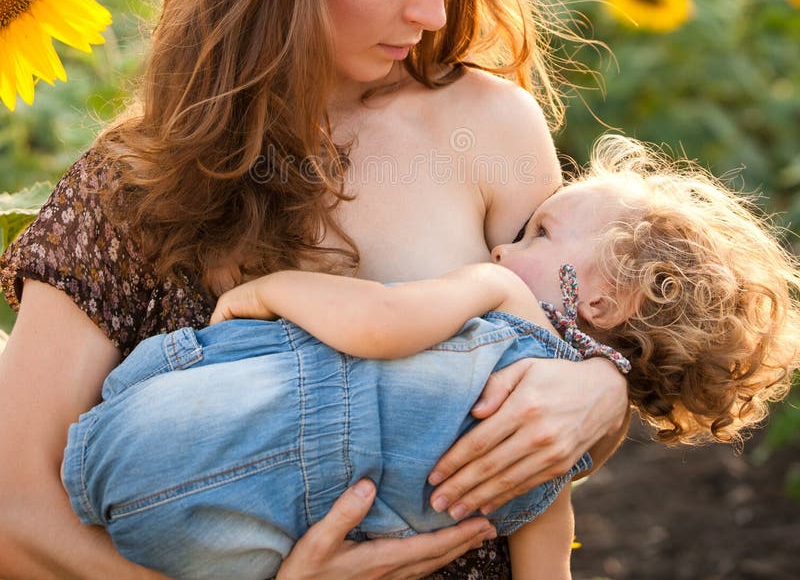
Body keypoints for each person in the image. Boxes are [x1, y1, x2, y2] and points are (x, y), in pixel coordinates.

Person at [0, 0, 630, 580]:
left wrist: (602, 393)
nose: (435, 6)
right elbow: (15, 516)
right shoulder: (134, 183)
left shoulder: (494, 128)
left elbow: (559, 357)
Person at [59, 134, 800, 580]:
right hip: (224, 543)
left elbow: (380, 322)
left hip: (154, 438)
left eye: (543, 234)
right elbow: (550, 571)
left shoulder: (499, 294)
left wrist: (273, 292)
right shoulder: (550, 470)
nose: (509, 245)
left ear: (603, 300)